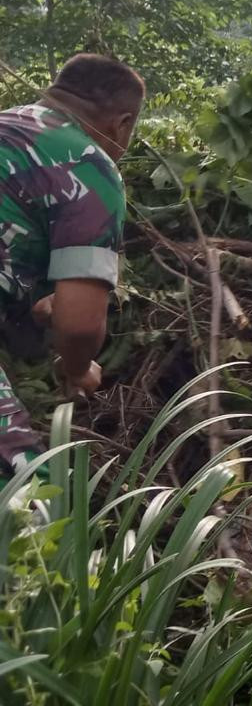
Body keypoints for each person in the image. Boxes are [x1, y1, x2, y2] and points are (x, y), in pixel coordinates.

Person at [0, 54, 145, 479]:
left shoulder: (8, 123)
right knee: (28, 504)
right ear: (123, 123)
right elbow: (81, 326)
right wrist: (77, 367)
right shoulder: (90, 165)